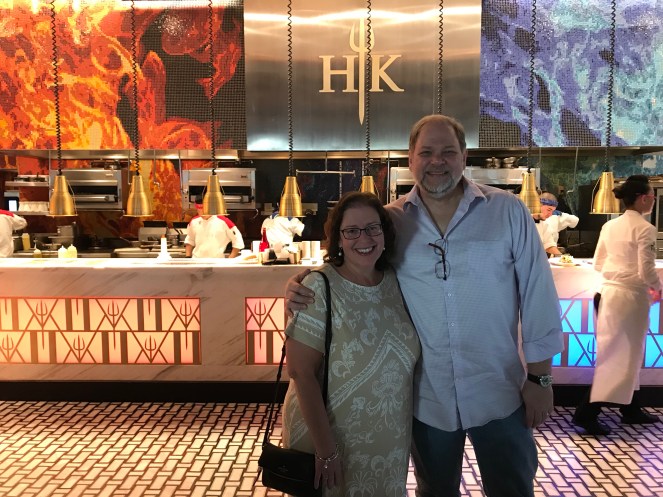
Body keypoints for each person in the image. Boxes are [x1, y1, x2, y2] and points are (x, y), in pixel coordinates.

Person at [286, 114, 564, 497]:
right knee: (434, 491)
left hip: (499, 390)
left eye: (448, 152)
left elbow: (538, 294)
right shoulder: (391, 221)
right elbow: (355, 270)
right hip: (427, 399)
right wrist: (303, 283)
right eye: (426, 152)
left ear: (464, 155)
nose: (437, 161)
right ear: (411, 158)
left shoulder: (507, 210)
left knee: (513, 489)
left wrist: (540, 378)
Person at [281, 191, 420, 495]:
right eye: (352, 231)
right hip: (330, 438)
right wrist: (326, 450)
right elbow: (300, 373)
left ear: (384, 233)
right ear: (338, 239)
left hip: (389, 438)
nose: (364, 238)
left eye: (372, 228)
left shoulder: (395, 281)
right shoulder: (319, 286)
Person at [572, 175, 661, 436]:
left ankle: (631, 409)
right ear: (643, 198)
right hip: (629, 299)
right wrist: (658, 287)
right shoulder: (645, 229)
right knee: (620, 356)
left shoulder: (610, 226)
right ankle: (586, 413)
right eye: (651, 196)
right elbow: (647, 270)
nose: (653, 200)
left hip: (607, 294)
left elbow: (598, 263)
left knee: (622, 354)